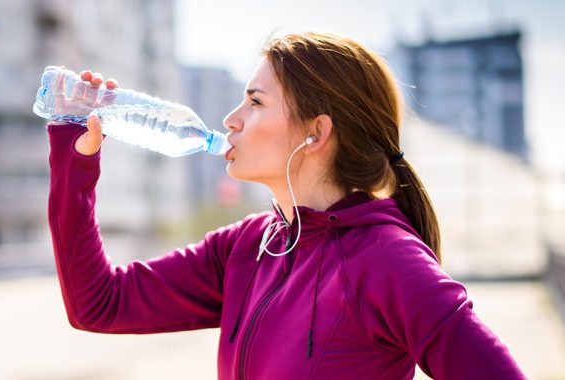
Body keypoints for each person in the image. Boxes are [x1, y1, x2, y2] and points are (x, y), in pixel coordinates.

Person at [46, 31, 526, 379]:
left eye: (255, 102)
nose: (231, 120)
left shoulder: (389, 261)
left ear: (316, 132)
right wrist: (75, 159)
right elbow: (98, 304)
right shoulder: (248, 246)